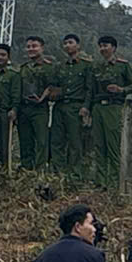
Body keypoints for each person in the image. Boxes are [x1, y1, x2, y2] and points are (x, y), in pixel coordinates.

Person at [91, 34, 132, 189]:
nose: (103, 49)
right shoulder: (96, 67)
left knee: (113, 145)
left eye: (106, 45)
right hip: (98, 107)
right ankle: (100, 182)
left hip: (114, 107)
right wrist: (87, 108)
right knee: (99, 146)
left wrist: (120, 89)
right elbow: (90, 90)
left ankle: (113, 184)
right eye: (100, 46)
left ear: (114, 48)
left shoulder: (123, 66)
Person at [49, 34, 95, 175]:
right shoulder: (59, 66)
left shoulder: (86, 66)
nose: (67, 45)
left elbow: (90, 89)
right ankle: (58, 173)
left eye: (70, 42)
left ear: (78, 45)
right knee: (57, 140)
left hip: (75, 107)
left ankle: (75, 174)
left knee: (75, 142)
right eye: (65, 43)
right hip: (59, 106)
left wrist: (86, 106)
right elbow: (53, 85)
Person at [11, 35, 54, 172]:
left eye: (34, 46)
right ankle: (26, 168)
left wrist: (42, 98)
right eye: (28, 47)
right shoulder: (23, 68)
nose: (31, 49)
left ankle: (40, 169)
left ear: (42, 48)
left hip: (40, 109)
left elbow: (52, 86)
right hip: (24, 108)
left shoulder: (49, 67)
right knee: (25, 140)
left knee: (41, 140)